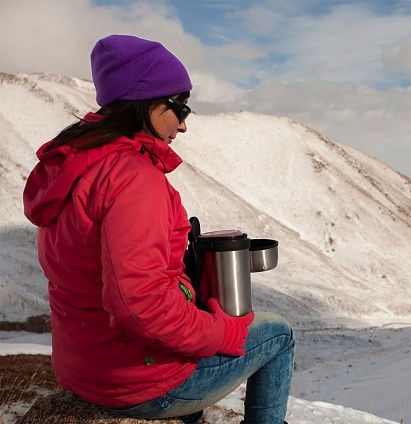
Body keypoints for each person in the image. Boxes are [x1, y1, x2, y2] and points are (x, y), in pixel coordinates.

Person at [23, 34, 294, 424]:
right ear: (146, 103)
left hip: (85, 370)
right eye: (180, 108)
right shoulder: (132, 177)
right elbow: (139, 305)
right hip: (137, 383)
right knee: (279, 335)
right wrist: (222, 333)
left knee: (194, 329)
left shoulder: (74, 165)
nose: (184, 125)